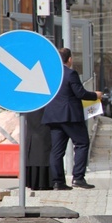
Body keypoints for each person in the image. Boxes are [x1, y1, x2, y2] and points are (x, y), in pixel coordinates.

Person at [41, 48, 102, 190]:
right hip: (70, 116)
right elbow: (80, 93)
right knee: (82, 143)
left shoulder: (50, 74)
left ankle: (58, 182)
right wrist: (96, 95)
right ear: (69, 59)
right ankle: (78, 178)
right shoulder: (70, 73)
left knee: (56, 151)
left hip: (53, 116)